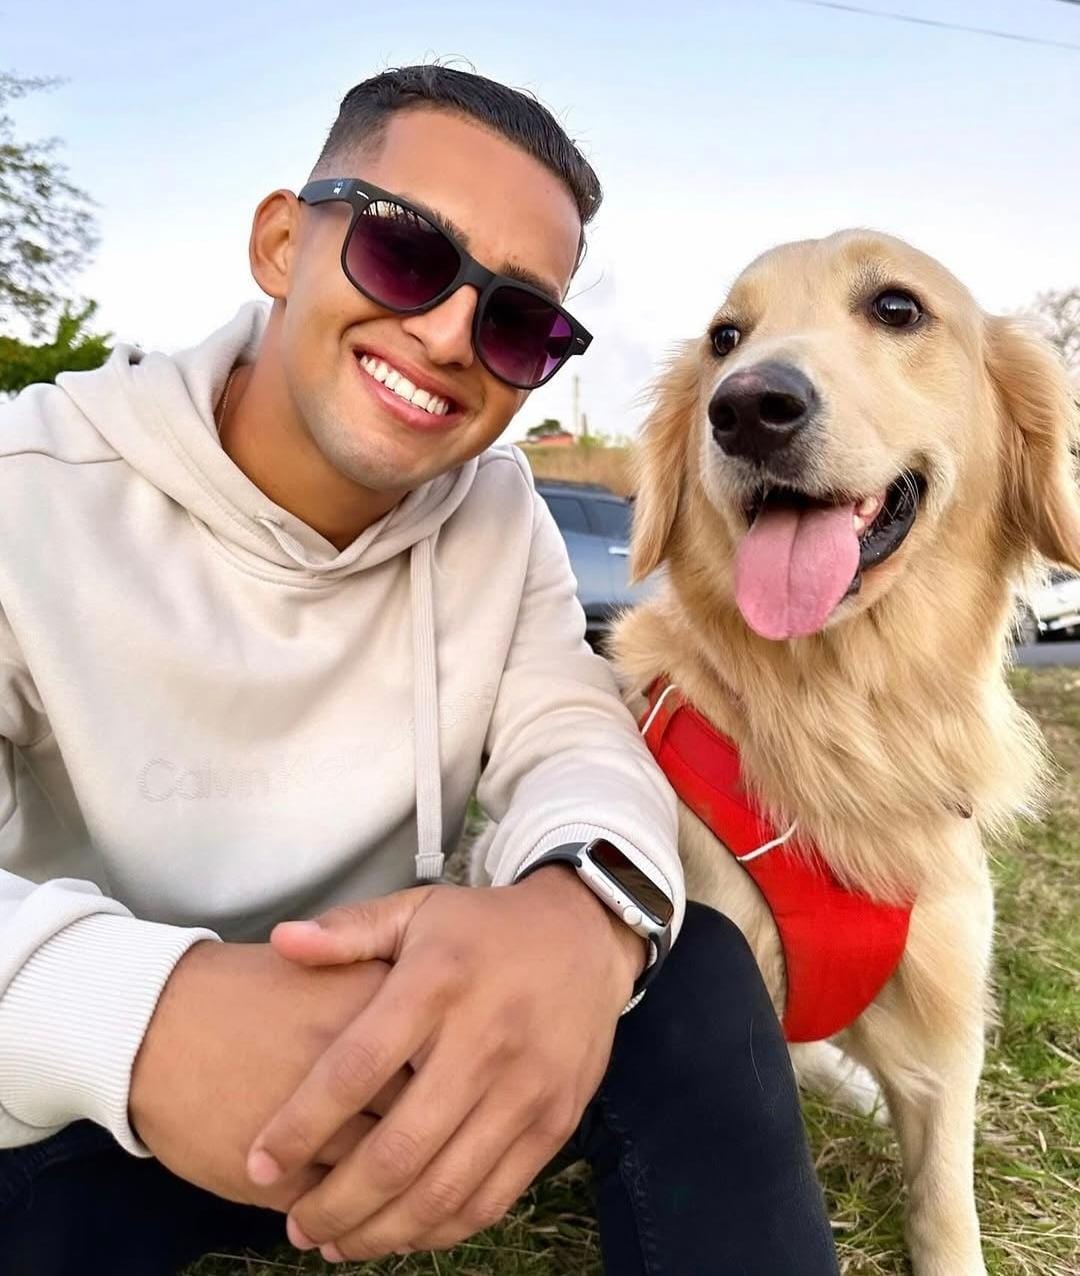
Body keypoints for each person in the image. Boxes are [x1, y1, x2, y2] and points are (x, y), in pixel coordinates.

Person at [0, 65, 839, 1275]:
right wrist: (137, 1016)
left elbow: (572, 732)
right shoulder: (34, 484)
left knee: (693, 964)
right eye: (404, 253)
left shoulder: (498, 518)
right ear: (283, 241)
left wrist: (580, 907)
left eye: (518, 322)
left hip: (416, 1050)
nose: (449, 334)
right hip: (100, 1103)